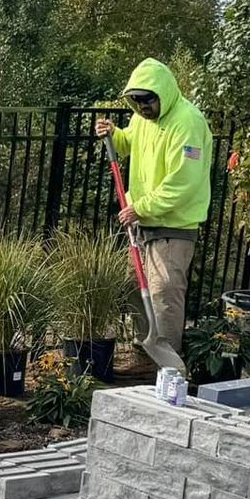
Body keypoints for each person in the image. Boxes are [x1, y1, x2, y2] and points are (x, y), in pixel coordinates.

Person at [93, 58, 212, 376]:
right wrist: (113, 135)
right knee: (138, 288)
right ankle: (143, 354)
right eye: (136, 101)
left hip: (174, 224)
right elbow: (131, 142)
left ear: (164, 92)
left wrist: (142, 207)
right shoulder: (142, 119)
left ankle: (165, 364)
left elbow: (183, 182)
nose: (143, 107)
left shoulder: (187, 121)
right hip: (142, 222)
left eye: (148, 100)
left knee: (163, 292)